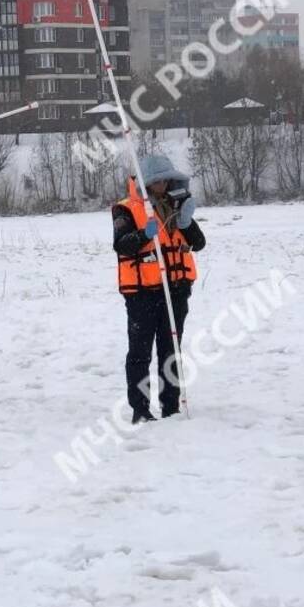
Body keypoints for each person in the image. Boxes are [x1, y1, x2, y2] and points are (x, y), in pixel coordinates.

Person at [112, 154, 206, 422]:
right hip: (142, 294)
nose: (162, 185)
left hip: (175, 290)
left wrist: (186, 223)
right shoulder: (125, 209)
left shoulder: (177, 206)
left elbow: (198, 243)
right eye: (157, 181)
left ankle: (171, 407)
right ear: (146, 183)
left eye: (166, 180)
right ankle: (140, 409)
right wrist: (144, 234)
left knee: (170, 351)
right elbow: (121, 245)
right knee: (140, 353)